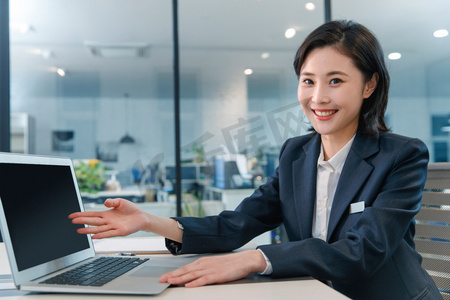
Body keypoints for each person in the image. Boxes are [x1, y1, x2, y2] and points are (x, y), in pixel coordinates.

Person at [69, 20, 442, 300]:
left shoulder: (402, 155)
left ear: (369, 85)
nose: (318, 97)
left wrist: (256, 259)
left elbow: (363, 251)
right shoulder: (296, 153)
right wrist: (149, 221)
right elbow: (237, 224)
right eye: (308, 81)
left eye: (335, 81)